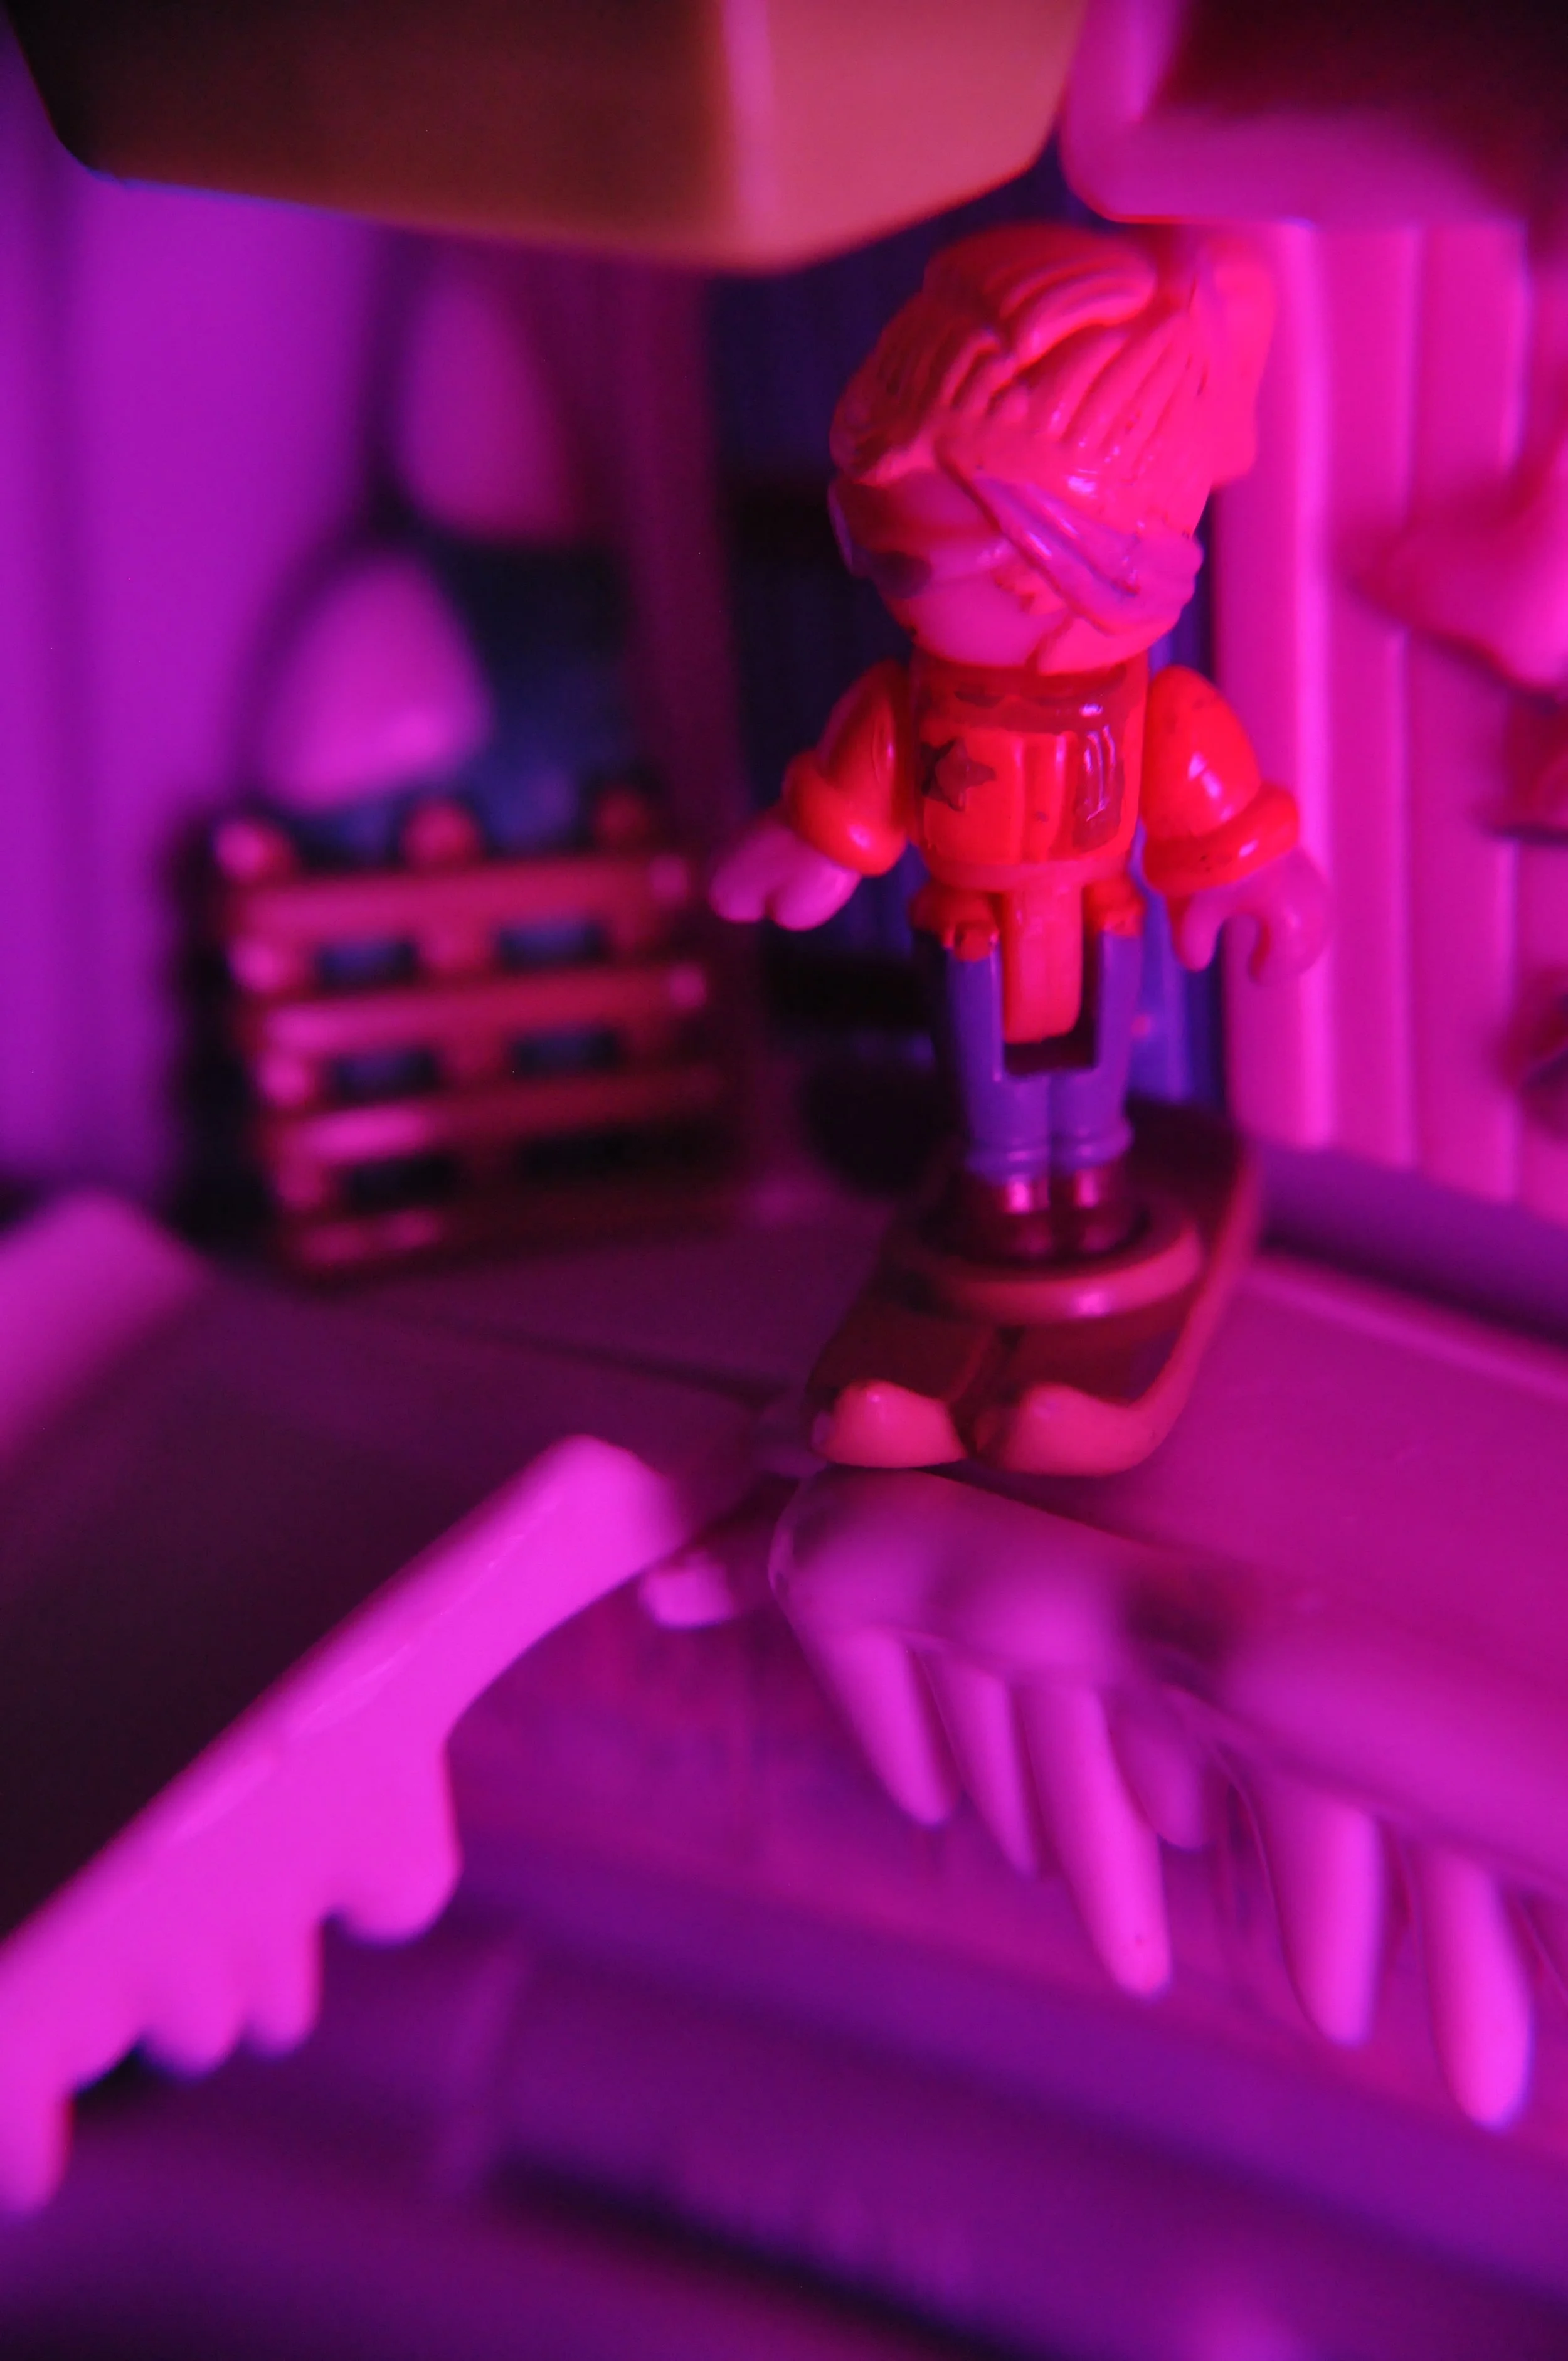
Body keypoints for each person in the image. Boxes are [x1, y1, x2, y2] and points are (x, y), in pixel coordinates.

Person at [713, 223, 1326, 1266]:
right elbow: (867, 779)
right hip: (970, 930)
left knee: (1092, 1078)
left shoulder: (1147, 707)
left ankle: (1089, 1179)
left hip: (1100, 919)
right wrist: (818, 844)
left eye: (907, 561)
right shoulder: (915, 703)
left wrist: (1250, 870)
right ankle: (1002, 1189)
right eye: (878, 548)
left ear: (1060, 568)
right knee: (986, 1083)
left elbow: (1204, 784)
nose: (887, 580)